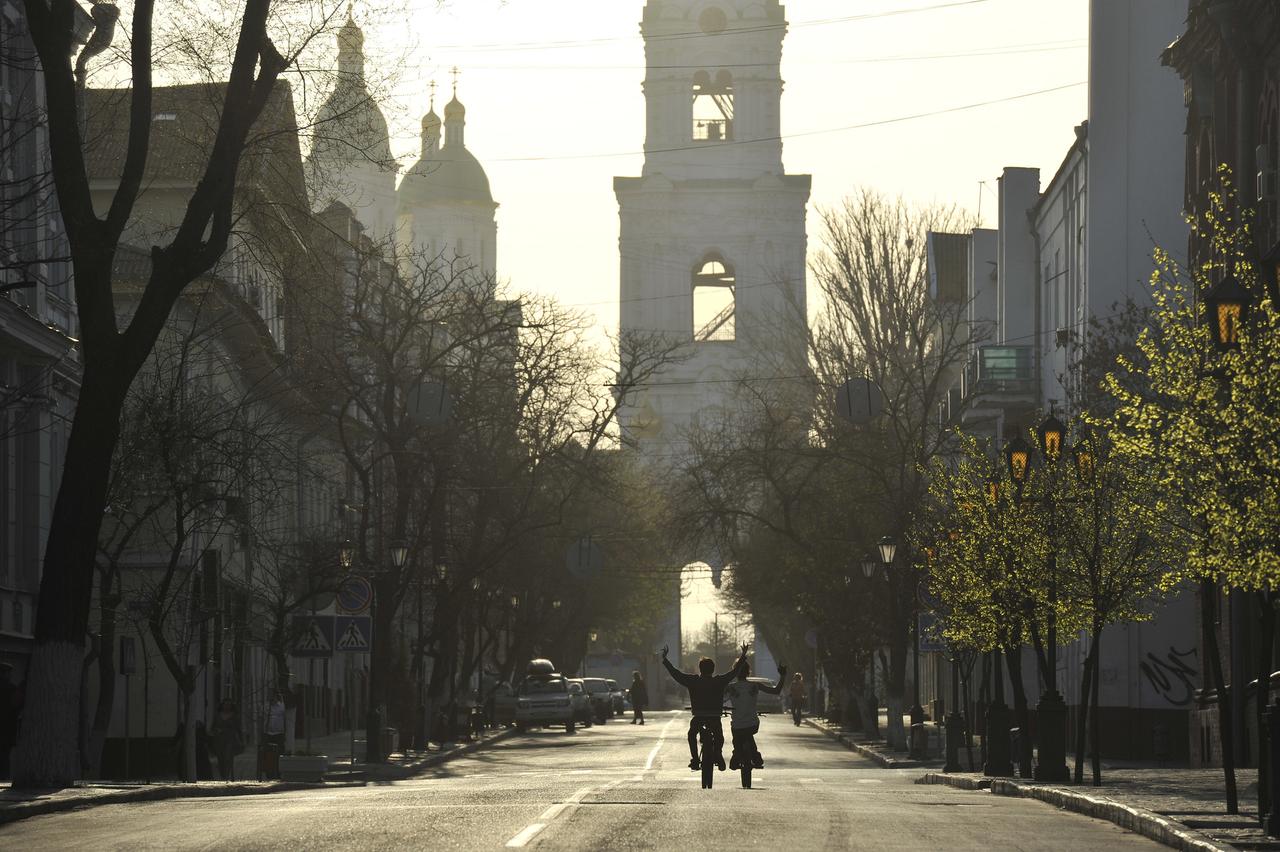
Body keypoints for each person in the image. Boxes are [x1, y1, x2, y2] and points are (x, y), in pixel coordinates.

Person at [661, 643, 748, 771]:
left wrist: (665, 660)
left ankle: (695, 759)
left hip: (699, 717)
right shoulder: (719, 681)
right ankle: (718, 753)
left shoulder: (693, 681)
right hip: (714, 717)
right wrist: (743, 656)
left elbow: (676, 674)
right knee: (719, 736)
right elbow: (734, 672)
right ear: (712, 670)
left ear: (700, 669)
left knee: (691, 735)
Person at [724, 660, 786, 769]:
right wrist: (783, 676)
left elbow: (719, 700)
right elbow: (776, 691)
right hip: (752, 724)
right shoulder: (755, 686)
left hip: (737, 725)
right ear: (748, 672)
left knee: (737, 738)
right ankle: (755, 756)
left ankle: (736, 755)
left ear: (735, 672)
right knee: (748, 733)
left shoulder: (731, 687)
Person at [210, 700, 243, 781]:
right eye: (225, 704)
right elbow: (212, 728)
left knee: (228, 757)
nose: (227, 706)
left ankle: (227, 775)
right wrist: (216, 731)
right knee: (220, 759)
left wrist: (241, 740)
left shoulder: (234, 716)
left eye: (229, 705)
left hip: (230, 740)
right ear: (222, 706)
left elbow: (238, 729)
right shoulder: (217, 716)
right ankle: (223, 775)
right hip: (219, 740)